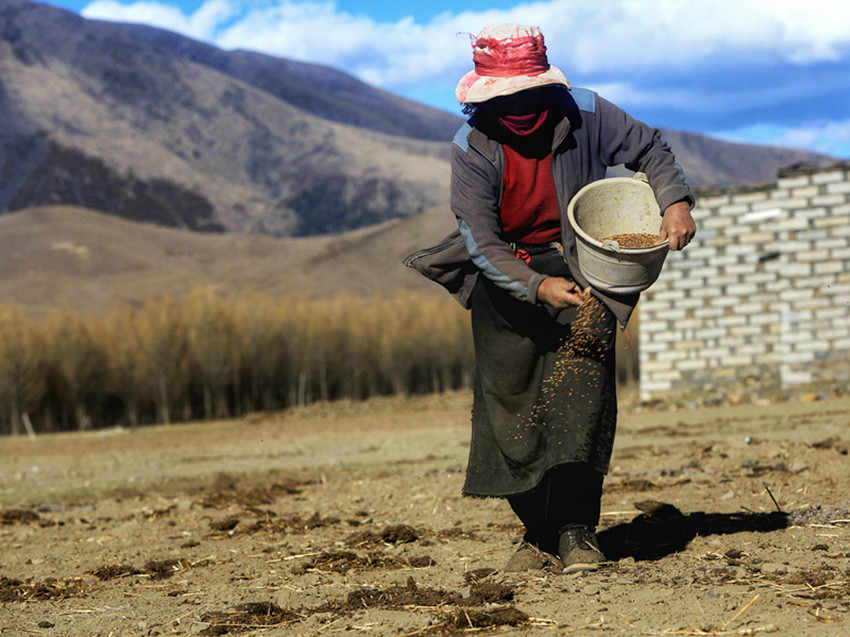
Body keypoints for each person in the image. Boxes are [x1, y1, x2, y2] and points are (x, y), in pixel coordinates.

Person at [404, 23, 696, 573]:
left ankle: (575, 530)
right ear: (484, 99)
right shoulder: (472, 147)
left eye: (529, 94)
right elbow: (480, 240)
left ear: (547, 85)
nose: (519, 107)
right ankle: (538, 532)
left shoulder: (584, 111)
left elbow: (649, 148)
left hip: (585, 268)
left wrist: (674, 199)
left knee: (581, 401)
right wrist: (536, 286)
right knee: (510, 410)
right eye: (505, 98)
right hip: (506, 275)